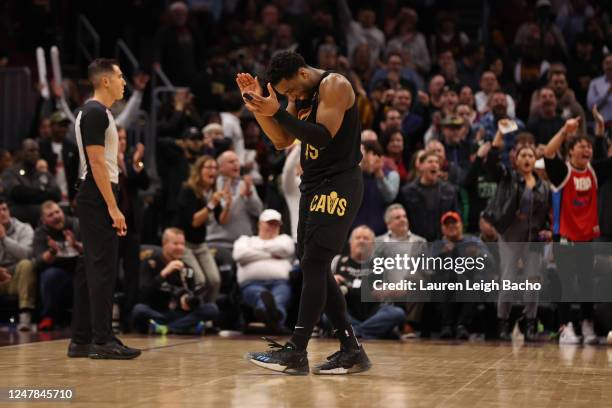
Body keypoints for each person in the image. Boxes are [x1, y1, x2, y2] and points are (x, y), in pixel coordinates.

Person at [236, 51, 370, 375]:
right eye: (288, 97)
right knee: (314, 264)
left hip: (339, 182)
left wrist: (278, 111)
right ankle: (351, 349)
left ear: (302, 72)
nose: (292, 98)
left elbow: (323, 137)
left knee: (314, 262)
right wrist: (259, 109)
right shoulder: (302, 94)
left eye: (292, 91)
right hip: (312, 184)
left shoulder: (334, 85)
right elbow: (283, 140)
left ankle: (297, 351)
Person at [69, 59, 140, 359]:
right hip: (97, 194)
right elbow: (96, 162)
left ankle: (82, 339)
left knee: (89, 269)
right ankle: (102, 340)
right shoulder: (95, 112)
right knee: (102, 269)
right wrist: (113, 207)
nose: (125, 81)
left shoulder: (98, 112)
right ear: (106, 80)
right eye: (121, 76)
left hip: (95, 193)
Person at [543, 114, 612, 345]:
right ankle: (565, 328)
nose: (587, 149)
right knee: (566, 282)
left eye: (589, 147)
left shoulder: (594, 171)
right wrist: (565, 130)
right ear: (571, 151)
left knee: (585, 283)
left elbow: (607, 157)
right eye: (582, 146)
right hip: (564, 237)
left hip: (587, 238)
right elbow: (548, 153)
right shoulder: (562, 172)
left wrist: (600, 130)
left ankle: (586, 323)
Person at [484, 120, 551, 342]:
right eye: (522, 155)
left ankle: (530, 323)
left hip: (532, 238)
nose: (527, 159)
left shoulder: (543, 186)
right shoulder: (508, 178)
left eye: (530, 156)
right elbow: (491, 163)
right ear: (515, 159)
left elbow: (547, 214)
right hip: (511, 235)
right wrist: (500, 136)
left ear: (535, 160)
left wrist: (548, 230)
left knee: (533, 280)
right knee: (509, 279)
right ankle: (502, 323)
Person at [132, 228, 219, 334]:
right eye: (176, 244)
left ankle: (166, 328)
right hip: (158, 311)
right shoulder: (151, 263)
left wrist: (188, 301)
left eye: (182, 244)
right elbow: (143, 294)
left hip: (179, 313)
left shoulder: (187, 268)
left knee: (211, 308)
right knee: (139, 310)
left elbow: (192, 296)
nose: (180, 247)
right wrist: (164, 273)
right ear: (164, 243)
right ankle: (184, 327)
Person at [233, 209, 294, 331]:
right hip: (251, 284)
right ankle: (276, 318)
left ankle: (266, 312)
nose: (273, 227)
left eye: (276, 224)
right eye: (269, 223)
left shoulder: (284, 239)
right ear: (260, 224)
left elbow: (287, 249)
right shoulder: (245, 240)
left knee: (280, 296)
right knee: (260, 295)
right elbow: (239, 255)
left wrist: (255, 251)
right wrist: (271, 254)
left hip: (280, 283)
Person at [174, 156, 225, 303]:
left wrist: (226, 205)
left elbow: (221, 220)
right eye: (209, 167)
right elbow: (194, 222)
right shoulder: (188, 190)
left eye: (215, 168)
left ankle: (207, 312)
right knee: (200, 280)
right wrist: (212, 204)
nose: (213, 171)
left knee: (215, 280)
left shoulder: (211, 192)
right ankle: (194, 313)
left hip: (201, 244)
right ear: (199, 170)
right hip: (185, 243)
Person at [0, 196, 36, 331]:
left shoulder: (24, 228)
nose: (2, 213)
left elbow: (27, 254)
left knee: (27, 264)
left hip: (16, 277)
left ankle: (25, 317)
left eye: (4, 209)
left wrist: (4, 238)